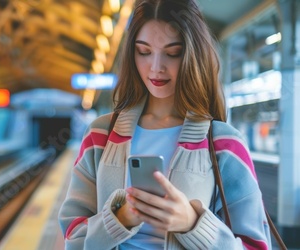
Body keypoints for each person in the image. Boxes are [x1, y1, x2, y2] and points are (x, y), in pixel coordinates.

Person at [58, 0, 272, 249]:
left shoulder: (224, 143)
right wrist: (120, 219)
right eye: (144, 51)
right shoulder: (100, 135)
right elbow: (72, 239)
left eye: (173, 53)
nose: (156, 67)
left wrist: (192, 224)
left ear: (194, 55)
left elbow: (256, 244)